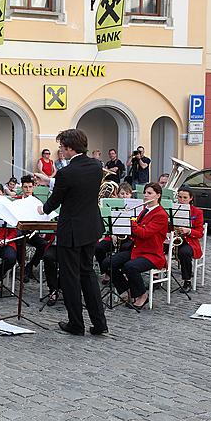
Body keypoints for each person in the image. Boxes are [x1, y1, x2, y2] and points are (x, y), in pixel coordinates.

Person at [34, 129, 108, 336]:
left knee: (70, 278)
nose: (60, 151)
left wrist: (43, 209)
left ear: (70, 148)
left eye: (62, 148)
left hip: (72, 231)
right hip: (91, 228)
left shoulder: (66, 172)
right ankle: (100, 323)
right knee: (88, 273)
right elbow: (76, 185)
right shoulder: (96, 166)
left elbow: (56, 200)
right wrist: (48, 180)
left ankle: (76, 324)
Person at [100, 183, 168, 310]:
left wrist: (130, 220)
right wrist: (122, 220)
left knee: (130, 267)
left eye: (149, 193)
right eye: (145, 193)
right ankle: (127, 290)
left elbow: (144, 233)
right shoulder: (144, 210)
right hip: (137, 249)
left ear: (158, 196)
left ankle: (142, 295)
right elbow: (135, 230)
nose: (146, 196)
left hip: (151, 253)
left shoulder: (161, 215)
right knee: (107, 263)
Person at [94, 182, 134, 284]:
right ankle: (108, 272)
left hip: (128, 238)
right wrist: (112, 234)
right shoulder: (111, 206)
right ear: (117, 195)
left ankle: (121, 274)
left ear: (131, 195)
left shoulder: (135, 207)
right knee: (98, 248)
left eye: (127, 194)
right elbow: (107, 222)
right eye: (122, 194)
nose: (125, 196)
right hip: (112, 236)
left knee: (124, 249)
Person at [17, 176, 49, 282]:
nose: (28, 189)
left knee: (43, 244)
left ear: (33, 187)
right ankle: (22, 267)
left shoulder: (37, 202)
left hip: (33, 232)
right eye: (25, 187)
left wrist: (42, 228)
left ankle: (30, 267)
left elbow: (42, 217)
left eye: (30, 187)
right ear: (22, 188)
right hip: (20, 232)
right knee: (19, 242)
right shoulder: (17, 201)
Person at [173, 187, 204, 293]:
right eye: (180, 197)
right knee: (156, 247)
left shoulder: (197, 212)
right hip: (173, 238)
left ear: (191, 198)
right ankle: (157, 279)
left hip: (189, 241)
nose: (181, 200)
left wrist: (188, 230)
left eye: (185, 198)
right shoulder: (172, 209)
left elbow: (200, 233)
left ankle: (187, 281)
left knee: (184, 253)